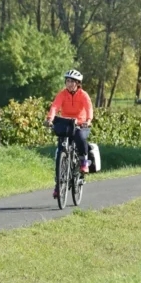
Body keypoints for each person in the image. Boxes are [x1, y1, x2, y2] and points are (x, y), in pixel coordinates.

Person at [44, 69, 93, 199]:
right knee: (60, 151)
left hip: (80, 124)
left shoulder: (83, 95)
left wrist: (88, 121)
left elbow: (89, 109)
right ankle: (58, 186)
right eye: (68, 81)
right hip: (66, 124)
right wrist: (50, 119)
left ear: (78, 83)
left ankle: (83, 162)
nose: (69, 83)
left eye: (72, 81)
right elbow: (55, 107)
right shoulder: (62, 94)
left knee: (80, 137)